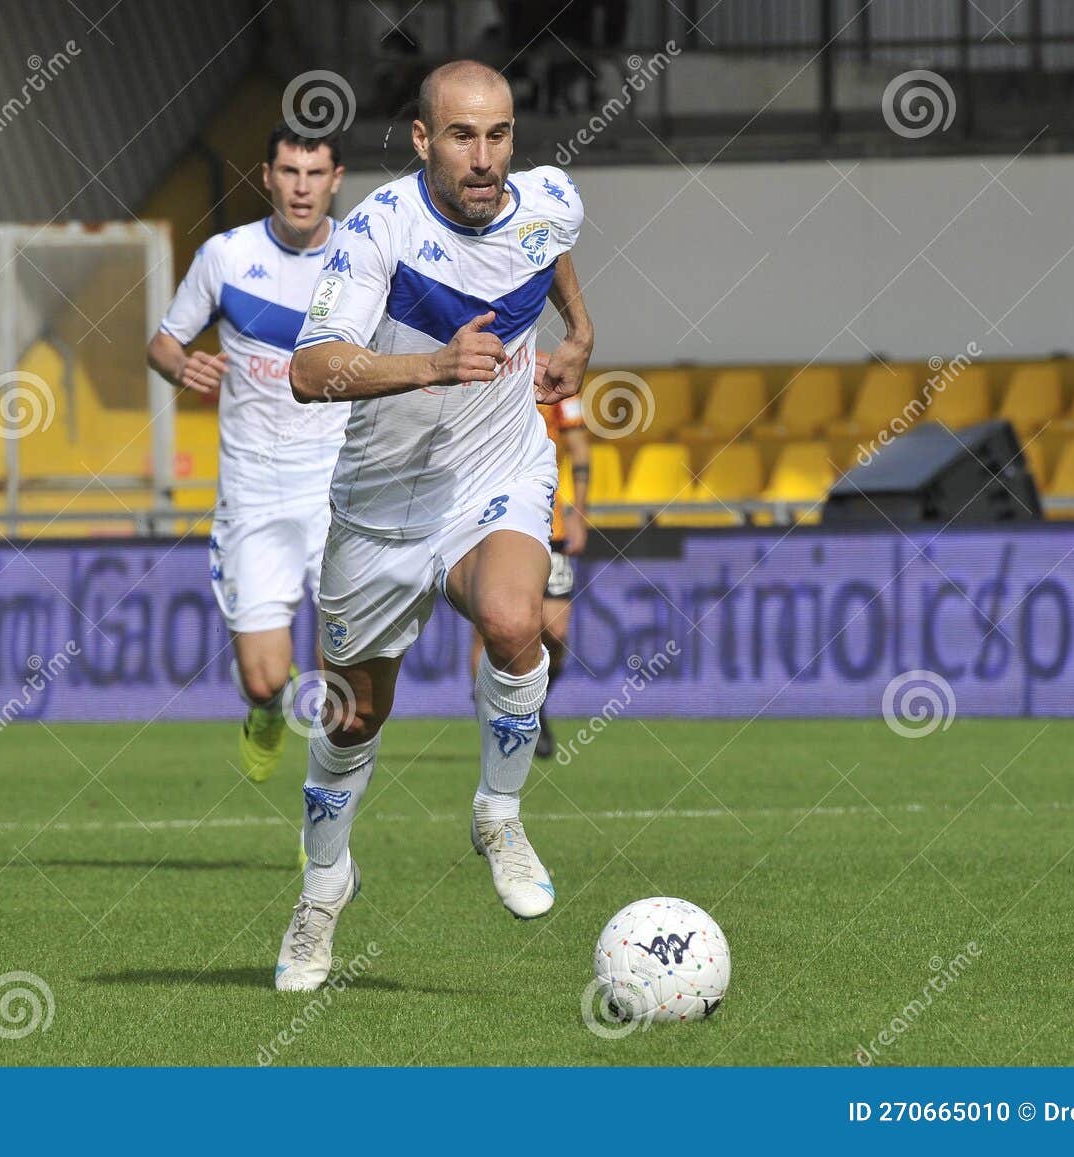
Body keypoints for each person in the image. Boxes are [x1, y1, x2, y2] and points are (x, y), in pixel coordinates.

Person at [275, 60, 594, 991]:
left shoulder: (548, 199)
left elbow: (554, 242)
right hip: (379, 505)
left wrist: (581, 332)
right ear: (423, 141)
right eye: (463, 137)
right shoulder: (380, 230)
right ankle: (324, 886)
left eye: (498, 136)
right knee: (351, 715)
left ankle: (498, 814)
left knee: (513, 621)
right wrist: (429, 367)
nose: (485, 157)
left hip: (493, 472)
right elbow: (310, 369)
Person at [146, 125, 348, 784]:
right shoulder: (225, 257)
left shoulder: (362, 258)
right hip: (253, 489)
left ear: (335, 179)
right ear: (266, 175)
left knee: (344, 680)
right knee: (264, 678)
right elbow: (164, 343)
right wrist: (184, 369)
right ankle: (263, 708)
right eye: (289, 171)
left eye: (314, 174)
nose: (301, 186)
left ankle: (326, 831)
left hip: (338, 486)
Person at [469, 369, 590, 759]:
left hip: (547, 522)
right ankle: (496, 718)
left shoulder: (553, 376)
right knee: (493, 625)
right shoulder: (477, 373)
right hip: (489, 520)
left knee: (555, 630)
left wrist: (580, 513)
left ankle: (533, 703)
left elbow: (581, 449)